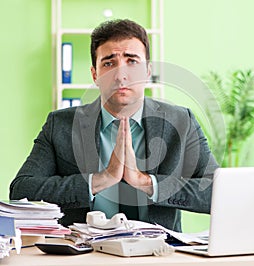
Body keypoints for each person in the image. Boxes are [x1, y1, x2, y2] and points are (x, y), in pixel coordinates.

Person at [9, 19, 218, 232]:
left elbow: (217, 192)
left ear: (147, 71)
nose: (120, 75)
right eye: (109, 63)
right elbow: (21, 189)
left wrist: (147, 183)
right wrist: (99, 180)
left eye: (132, 61)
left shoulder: (181, 121)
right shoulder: (60, 125)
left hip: (157, 254)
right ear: (95, 75)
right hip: (84, 254)